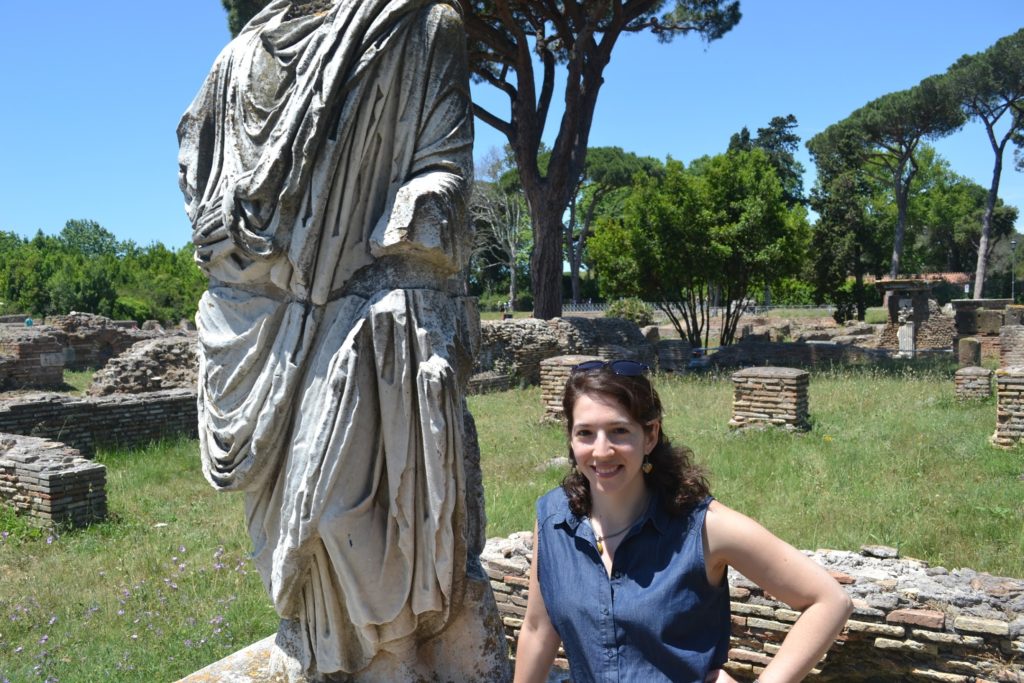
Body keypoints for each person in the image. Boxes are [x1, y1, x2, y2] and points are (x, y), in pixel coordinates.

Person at [514, 359, 853, 683]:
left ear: (649, 435)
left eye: (619, 431)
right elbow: (538, 629)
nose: (601, 451)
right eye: (585, 433)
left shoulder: (702, 527)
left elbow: (830, 601)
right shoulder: (554, 520)